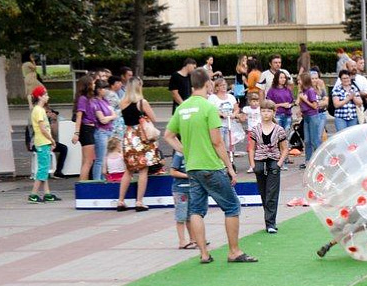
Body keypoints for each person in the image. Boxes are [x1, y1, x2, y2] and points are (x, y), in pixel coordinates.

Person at [163, 67, 256, 265]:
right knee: (231, 206)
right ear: (207, 84)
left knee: (196, 209)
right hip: (211, 166)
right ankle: (234, 251)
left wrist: (185, 150)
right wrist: (230, 168)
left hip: (192, 168)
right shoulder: (208, 108)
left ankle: (204, 253)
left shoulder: (183, 107)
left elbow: (168, 136)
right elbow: (217, 142)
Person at [116, 78, 158, 212]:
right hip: (140, 136)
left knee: (128, 170)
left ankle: (120, 201)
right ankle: (139, 201)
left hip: (128, 136)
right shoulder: (142, 102)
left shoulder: (122, 102)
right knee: (143, 170)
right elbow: (154, 118)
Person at [247, 99, 288, 234]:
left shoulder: (279, 130)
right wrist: (252, 164)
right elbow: (251, 148)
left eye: (269, 111)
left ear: (273, 112)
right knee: (263, 192)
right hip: (259, 161)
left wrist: (279, 163)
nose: (266, 114)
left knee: (272, 193)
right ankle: (268, 217)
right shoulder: (255, 130)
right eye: (263, 111)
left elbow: (284, 149)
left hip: (273, 161)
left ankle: (270, 223)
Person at [26, 85, 58, 203]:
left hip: (42, 142)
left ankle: (47, 193)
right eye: (45, 95)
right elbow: (43, 129)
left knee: (44, 168)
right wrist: (52, 140)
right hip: (43, 142)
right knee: (43, 169)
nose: (47, 97)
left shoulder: (38, 110)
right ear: (39, 96)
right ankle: (33, 194)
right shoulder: (38, 110)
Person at [297, 71, 326, 162]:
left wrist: (304, 100)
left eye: (300, 80)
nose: (298, 82)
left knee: (315, 140)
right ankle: (308, 160)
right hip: (306, 117)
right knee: (307, 140)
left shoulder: (310, 91)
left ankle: (320, 160)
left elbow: (315, 106)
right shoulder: (304, 91)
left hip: (313, 116)